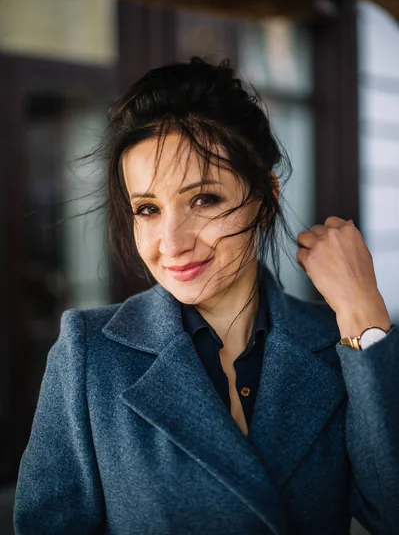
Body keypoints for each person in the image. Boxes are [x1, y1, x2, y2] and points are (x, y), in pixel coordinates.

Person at [14, 57, 398, 535]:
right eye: (148, 209)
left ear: (266, 196)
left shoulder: (339, 343)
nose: (172, 243)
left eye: (204, 199)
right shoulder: (90, 354)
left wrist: (363, 308)